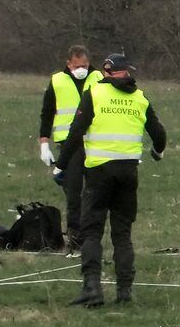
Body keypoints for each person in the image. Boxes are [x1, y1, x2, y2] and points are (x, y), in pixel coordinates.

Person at [56, 54, 166, 307]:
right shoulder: (139, 98)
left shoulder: (94, 94)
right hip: (128, 174)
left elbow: (75, 132)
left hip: (98, 174)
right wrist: (157, 152)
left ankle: (92, 288)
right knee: (122, 234)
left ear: (106, 72)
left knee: (92, 231)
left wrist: (60, 166)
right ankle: (125, 292)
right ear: (126, 72)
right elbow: (159, 133)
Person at [39, 46, 103, 254]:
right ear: (68, 64)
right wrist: (44, 143)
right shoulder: (58, 81)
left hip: (95, 142)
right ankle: (75, 240)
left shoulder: (99, 77)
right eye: (77, 66)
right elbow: (47, 113)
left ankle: (92, 238)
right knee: (73, 193)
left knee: (94, 193)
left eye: (84, 65)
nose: (82, 69)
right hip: (69, 144)